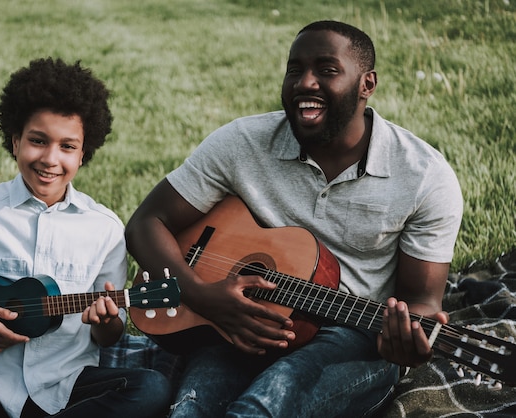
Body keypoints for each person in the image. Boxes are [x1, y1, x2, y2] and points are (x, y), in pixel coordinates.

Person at [124, 20, 463, 417]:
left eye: (326, 69)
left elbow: (421, 301)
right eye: (294, 69)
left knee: (258, 410)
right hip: (240, 323)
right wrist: (201, 294)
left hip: (352, 336)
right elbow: (146, 222)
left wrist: (402, 342)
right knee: (188, 412)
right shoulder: (241, 143)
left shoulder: (425, 176)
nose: (305, 82)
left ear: (366, 84)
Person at [0, 58, 171, 418]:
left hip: (67, 385)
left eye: (67, 147)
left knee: (151, 388)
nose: (50, 159)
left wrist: (106, 322)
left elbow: (110, 335)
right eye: (38, 141)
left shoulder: (104, 227)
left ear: (84, 153)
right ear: (15, 140)